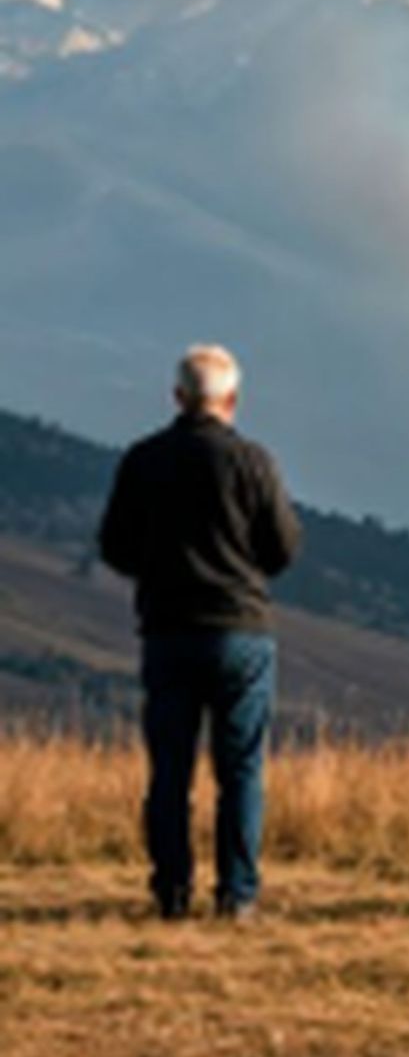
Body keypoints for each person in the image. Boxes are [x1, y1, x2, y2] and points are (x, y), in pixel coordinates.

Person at [99, 344, 301, 921]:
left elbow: (115, 545)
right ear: (232, 400)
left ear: (177, 397)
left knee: (170, 771)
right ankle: (237, 896)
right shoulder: (254, 462)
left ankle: (171, 892)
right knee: (240, 771)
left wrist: (159, 573)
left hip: (167, 629)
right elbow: (283, 546)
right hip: (241, 630)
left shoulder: (142, 460)